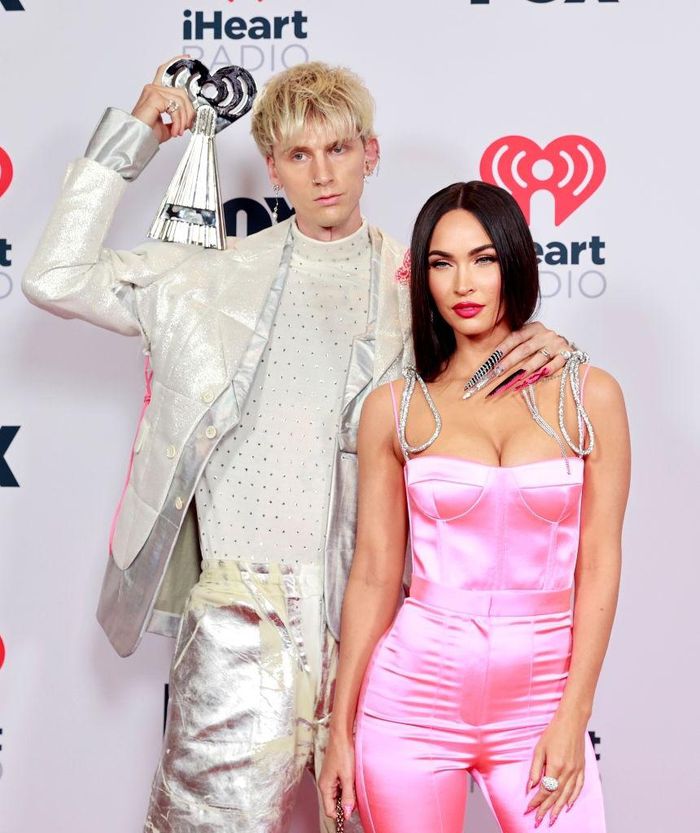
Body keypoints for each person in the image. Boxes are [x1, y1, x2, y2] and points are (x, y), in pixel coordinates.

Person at [23, 59, 572, 833]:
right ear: (272, 165)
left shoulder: (421, 295)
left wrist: (550, 344)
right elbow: (55, 275)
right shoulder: (203, 282)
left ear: (370, 153)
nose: (322, 174)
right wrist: (134, 135)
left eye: (339, 149)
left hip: (382, 626)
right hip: (240, 619)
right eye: (300, 155)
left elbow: (497, 389)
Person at [320, 181, 630, 832]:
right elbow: (373, 574)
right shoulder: (395, 409)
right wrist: (340, 731)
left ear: (513, 261)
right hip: (409, 705)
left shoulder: (590, 395)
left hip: (541, 703)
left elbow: (599, 564)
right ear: (424, 278)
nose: (463, 283)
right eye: (442, 263)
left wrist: (574, 712)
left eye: (483, 259)